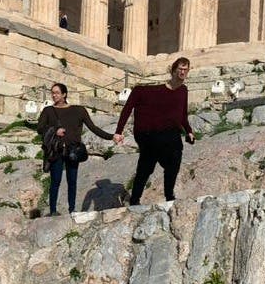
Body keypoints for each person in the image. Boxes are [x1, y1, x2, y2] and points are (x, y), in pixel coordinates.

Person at [113, 57, 194, 205]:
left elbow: (182, 114)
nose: (183, 72)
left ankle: (169, 195)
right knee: (146, 166)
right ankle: (135, 199)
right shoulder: (146, 91)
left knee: (174, 159)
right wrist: (119, 131)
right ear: (173, 69)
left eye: (185, 69)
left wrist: (189, 131)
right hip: (149, 133)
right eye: (180, 68)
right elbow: (127, 108)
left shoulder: (183, 90)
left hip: (170, 132)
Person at [37, 83, 113, 216]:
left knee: (72, 181)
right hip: (57, 150)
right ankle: (53, 210)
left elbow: (93, 128)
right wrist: (55, 130)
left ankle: (72, 209)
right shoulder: (48, 111)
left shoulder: (79, 110)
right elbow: (40, 128)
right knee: (55, 181)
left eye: (57, 93)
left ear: (64, 94)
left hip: (73, 150)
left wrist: (111, 136)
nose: (54, 95)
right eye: (52, 93)